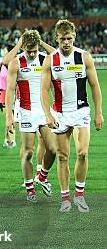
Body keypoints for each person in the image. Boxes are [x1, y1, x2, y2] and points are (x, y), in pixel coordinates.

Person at [41, 19, 103, 212]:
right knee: (62, 157)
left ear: (74, 37)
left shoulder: (84, 57)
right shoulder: (50, 60)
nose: (66, 42)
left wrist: (99, 112)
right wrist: (47, 115)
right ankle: (65, 198)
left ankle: (80, 196)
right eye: (62, 39)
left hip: (81, 111)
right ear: (56, 39)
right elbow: (43, 90)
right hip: (59, 113)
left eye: (69, 38)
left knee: (83, 153)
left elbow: (95, 86)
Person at [4, 30, 57, 202]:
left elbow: (57, 54)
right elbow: (10, 91)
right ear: (23, 47)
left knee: (53, 149)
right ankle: (29, 188)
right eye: (28, 50)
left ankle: (41, 177)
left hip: (44, 111)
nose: (32, 53)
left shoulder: (45, 59)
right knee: (27, 153)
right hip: (26, 112)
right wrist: (9, 116)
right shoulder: (16, 63)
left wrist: (41, 43)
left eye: (34, 49)